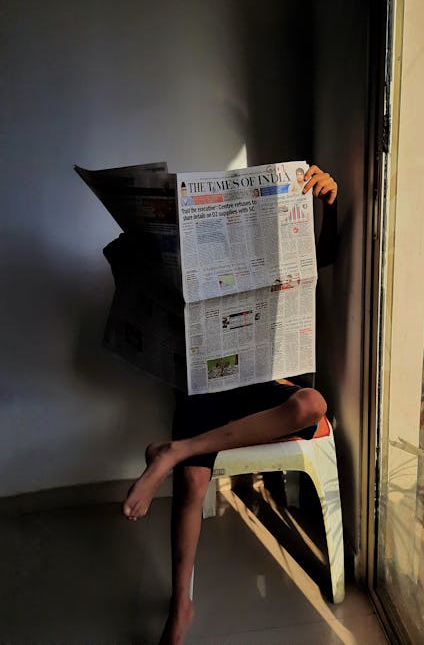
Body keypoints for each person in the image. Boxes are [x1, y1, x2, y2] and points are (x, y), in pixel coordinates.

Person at [122, 164, 338, 645]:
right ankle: (181, 606)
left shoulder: (284, 253)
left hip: (268, 385)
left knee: (313, 403)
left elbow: (328, 256)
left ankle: (174, 450)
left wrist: (330, 204)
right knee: (195, 480)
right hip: (209, 384)